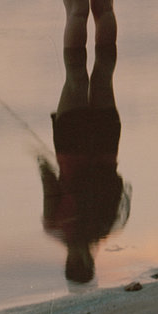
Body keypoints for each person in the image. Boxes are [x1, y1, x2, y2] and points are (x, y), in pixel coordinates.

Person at [39, 45, 128, 284]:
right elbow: (48, 182)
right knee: (75, 75)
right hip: (71, 143)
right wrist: (40, 160)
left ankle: (100, 7)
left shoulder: (105, 226)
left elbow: (117, 185)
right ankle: (79, 10)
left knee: (103, 71)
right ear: (70, 262)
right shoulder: (56, 226)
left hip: (105, 141)